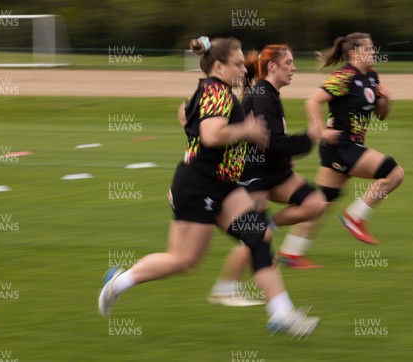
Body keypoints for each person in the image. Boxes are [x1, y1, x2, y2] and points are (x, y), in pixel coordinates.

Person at [98, 36, 319, 338]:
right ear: (219, 65)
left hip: (224, 185)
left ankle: (282, 312)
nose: (244, 69)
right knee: (184, 260)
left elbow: (186, 115)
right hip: (198, 186)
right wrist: (248, 129)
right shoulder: (217, 91)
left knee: (260, 235)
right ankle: (119, 281)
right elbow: (212, 135)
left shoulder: (214, 90)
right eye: (239, 63)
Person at [208, 44, 338, 306]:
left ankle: (270, 226)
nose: (293, 68)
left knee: (315, 204)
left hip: (275, 173)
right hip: (254, 175)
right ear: (272, 67)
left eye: (292, 63)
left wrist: (287, 152)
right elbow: (273, 142)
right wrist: (310, 138)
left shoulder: (269, 93)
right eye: (288, 63)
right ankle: (225, 287)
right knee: (254, 238)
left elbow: (270, 142)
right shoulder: (262, 95)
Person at [283, 32, 404, 255]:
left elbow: (381, 116)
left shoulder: (372, 77)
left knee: (323, 203)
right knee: (394, 174)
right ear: (353, 53)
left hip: (345, 148)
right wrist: (320, 131)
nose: (373, 52)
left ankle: (291, 252)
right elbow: (313, 100)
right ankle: (355, 218)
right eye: (368, 48)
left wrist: (387, 100)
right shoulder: (344, 76)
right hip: (341, 146)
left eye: (372, 48)